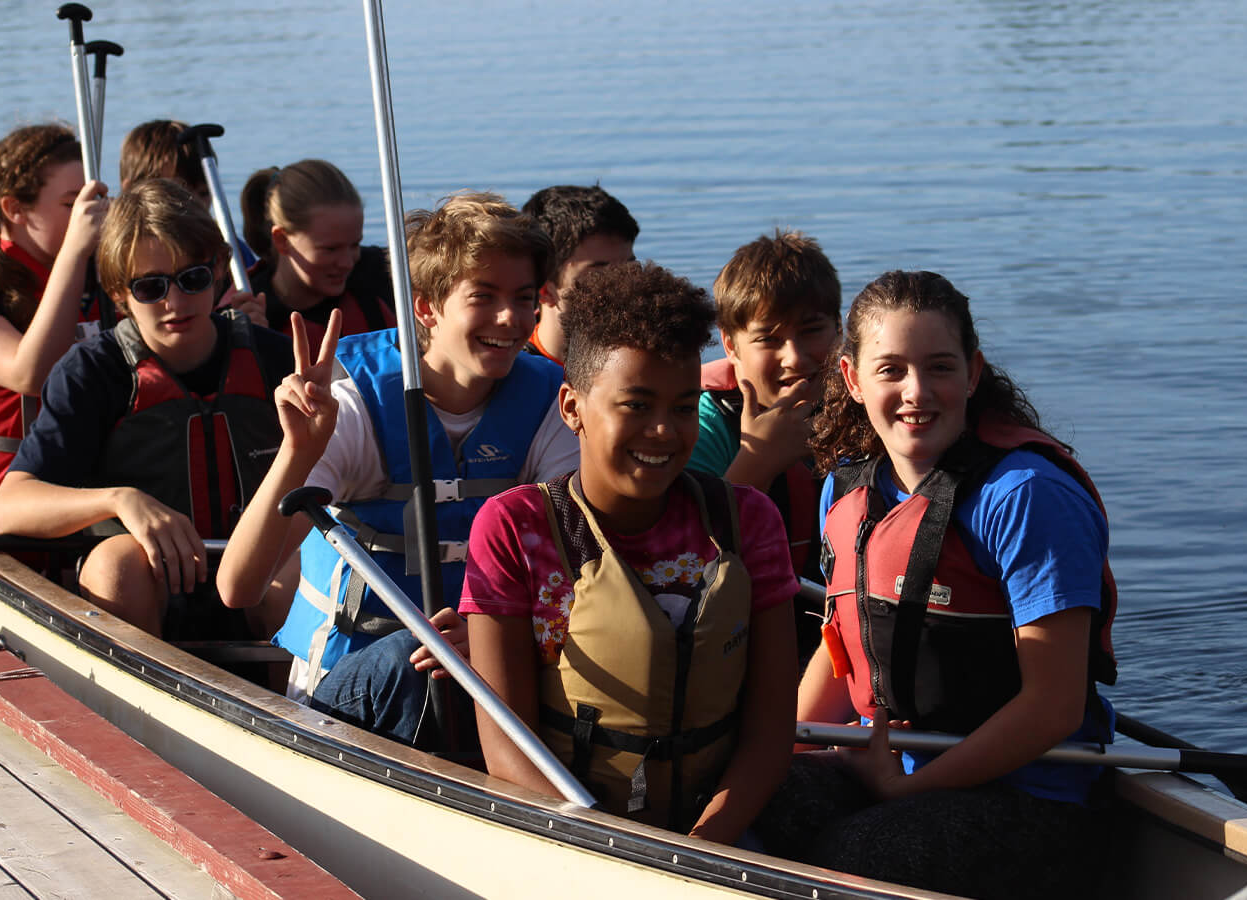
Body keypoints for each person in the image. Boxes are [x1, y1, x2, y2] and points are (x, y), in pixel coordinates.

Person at [755, 270, 1118, 900]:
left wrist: (904, 789)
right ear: (851, 379)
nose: (916, 392)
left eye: (940, 367)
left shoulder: (1027, 498)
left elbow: (1053, 705)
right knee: (746, 797)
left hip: (1030, 794)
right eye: (891, 369)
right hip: (888, 767)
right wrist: (773, 754)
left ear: (973, 374)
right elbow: (840, 648)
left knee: (859, 852)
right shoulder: (846, 491)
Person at [216, 192, 577, 745]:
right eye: (484, 296)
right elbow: (238, 587)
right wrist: (298, 452)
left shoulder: (548, 402)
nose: (510, 319)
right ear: (426, 307)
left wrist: (487, 633)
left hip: (495, 665)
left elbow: (581, 569)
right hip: (356, 690)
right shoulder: (357, 405)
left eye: (524, 298)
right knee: (415, 657)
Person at [461, 260, 798, 843]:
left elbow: (770, 738)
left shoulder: (747, 522)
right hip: (569, 834)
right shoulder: (513, 527)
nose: (664, 431)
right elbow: (507, 749)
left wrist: (700, 851)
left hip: (714, 830)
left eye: (683, 406)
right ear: (572, 410)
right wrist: (617, 856)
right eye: (636, 405)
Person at [0, 178, 293, 639]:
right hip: (147, 591)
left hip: (256, 584)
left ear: (220, 271)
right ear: (118, 294)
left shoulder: (275, 359)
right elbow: (8, 507)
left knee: (307, 552)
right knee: (115, 563)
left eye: (192, 279)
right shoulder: (94, 371)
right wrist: (120, 499)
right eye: (150, 287)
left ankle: (295, 703)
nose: (175, 302)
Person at [0, 124, 109, 530]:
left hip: (78, 490)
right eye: (71, 205)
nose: (90, 219)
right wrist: (76, 253)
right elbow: (29, 374)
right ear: (14, 209)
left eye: (95, 203)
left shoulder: (101, 281)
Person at [687, 230, 841, 660]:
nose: (793, 357)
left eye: (812, 331)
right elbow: (681, 561)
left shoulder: (865, 412)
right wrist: (758, 460)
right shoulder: (706, 423)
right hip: (730, 639)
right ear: (730, 343)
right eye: (769, 339)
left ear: (840, 329)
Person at [119, 120, 265, 326]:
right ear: (130, 191)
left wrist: (251, 331)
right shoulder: (117, 258)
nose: (195, 206)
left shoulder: (234, 254)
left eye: (204, 193)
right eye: (180, 194)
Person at [240, 159, 395, 344]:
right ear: (282, 240)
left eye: (355, 245)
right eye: (330, 249)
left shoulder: (384, 275)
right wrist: (250, 344)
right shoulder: (248, 314)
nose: (347, 263)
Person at [520, 184, 637, 365]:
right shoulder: (509, 374)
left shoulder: (655, 355)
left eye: (630, 269)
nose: (625, 286)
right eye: (600, 276)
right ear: (545, 291)